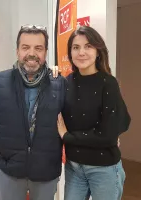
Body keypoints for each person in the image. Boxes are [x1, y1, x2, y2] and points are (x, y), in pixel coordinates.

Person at [0, 25, 67, 200]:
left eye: (38, 48)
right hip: (8, 172)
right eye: (25, 47)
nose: (32, 53)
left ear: (46, 52)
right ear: (17, 51)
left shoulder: (59, 84)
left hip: (45, 173)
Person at [54, 26, 131, 200]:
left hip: (104, 169)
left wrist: (67, 136)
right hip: (74, 168)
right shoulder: (66, 83)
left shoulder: (108, 84)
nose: (81, 52)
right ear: (70, 53)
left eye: (88, 46)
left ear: (98, 51)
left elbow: (108, 136)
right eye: (76, 47)